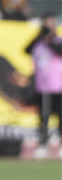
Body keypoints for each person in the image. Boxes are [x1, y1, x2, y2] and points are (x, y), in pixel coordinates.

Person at [27, 17, 62, 157]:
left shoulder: (57, 41)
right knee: (44, 117)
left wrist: (50, 38)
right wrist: (39, 36)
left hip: (58, 86)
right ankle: (43, 144)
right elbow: (26, 49)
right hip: (43, 87)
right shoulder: (38, 43)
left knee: (61, 117)